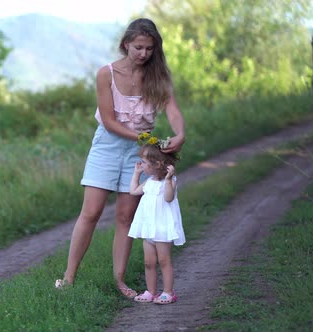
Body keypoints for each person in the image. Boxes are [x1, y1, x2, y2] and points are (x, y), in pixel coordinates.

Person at [54, 18, 185, 299]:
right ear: (126, 44)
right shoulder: (107, 74)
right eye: (138, 47)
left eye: (150, 48)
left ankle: (120, 280)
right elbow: (110, 121)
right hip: (108, 145)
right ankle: (68, 277)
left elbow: (172, 109)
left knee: (126, 216)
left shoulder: (158, 75)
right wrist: (140, 137)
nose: (144, 54)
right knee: (91, 212)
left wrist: (180, 133)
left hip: (140, 151)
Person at [128, 138, 185, 304]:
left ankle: (168, 292)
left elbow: (168, 198)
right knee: (149, 262)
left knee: (164, 260)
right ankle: (151, 292)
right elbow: (133, 191)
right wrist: (136, 174)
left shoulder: (170, 182)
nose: (141, 164)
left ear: (158, 164)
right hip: (148, 229)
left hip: (162, 228)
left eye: (144, 162)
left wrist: (168, 180)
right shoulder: (149, 182)